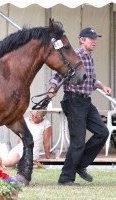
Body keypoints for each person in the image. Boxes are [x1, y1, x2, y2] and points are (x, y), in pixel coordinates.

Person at [48, 28, 111, 186]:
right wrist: (51, 88)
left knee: (103, 132)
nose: (94, 41)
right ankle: (66, 178)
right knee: (78, 141)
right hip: (73, 101)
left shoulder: (89, 57)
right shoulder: (74, 55)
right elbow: (57, 74)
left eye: (95, 38)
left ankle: (81, 164)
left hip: (85, 102)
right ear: (82, 40)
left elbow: (92, 79)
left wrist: (103, 87)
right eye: (91, 38)